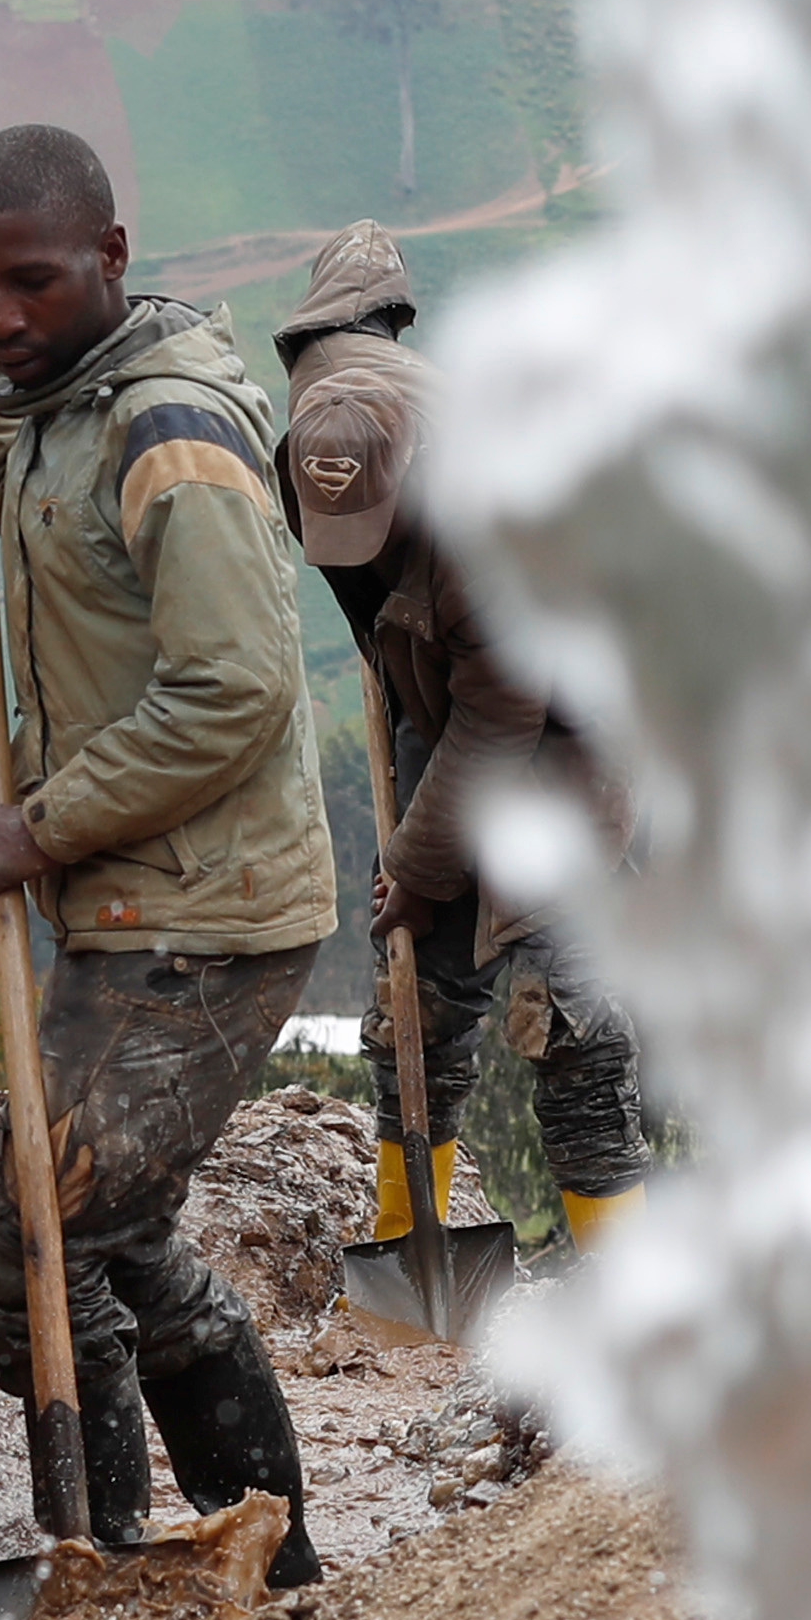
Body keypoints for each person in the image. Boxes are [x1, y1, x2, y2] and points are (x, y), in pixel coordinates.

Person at [0, 124, 339, 1586]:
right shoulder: (58, 399)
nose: (1, 317)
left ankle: (96, 1564)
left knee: (25, 1257)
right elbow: (14, 497)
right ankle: (260, 1567)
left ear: (111, 257)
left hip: (203, 910)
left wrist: (42, 824)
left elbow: (235, 690)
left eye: (30, 282)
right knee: (113, 1237)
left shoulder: (170, 431)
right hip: (145, 898)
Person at [269, 219, 651, 1253]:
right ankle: (412, 1249)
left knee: (562, 1023)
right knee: (417, 1002)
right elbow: (411, 668)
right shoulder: (318, 441)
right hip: (454, 721)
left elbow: (502, 711)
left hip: (572, 749)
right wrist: (420, 868)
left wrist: (417, 860)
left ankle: (621, 1269)